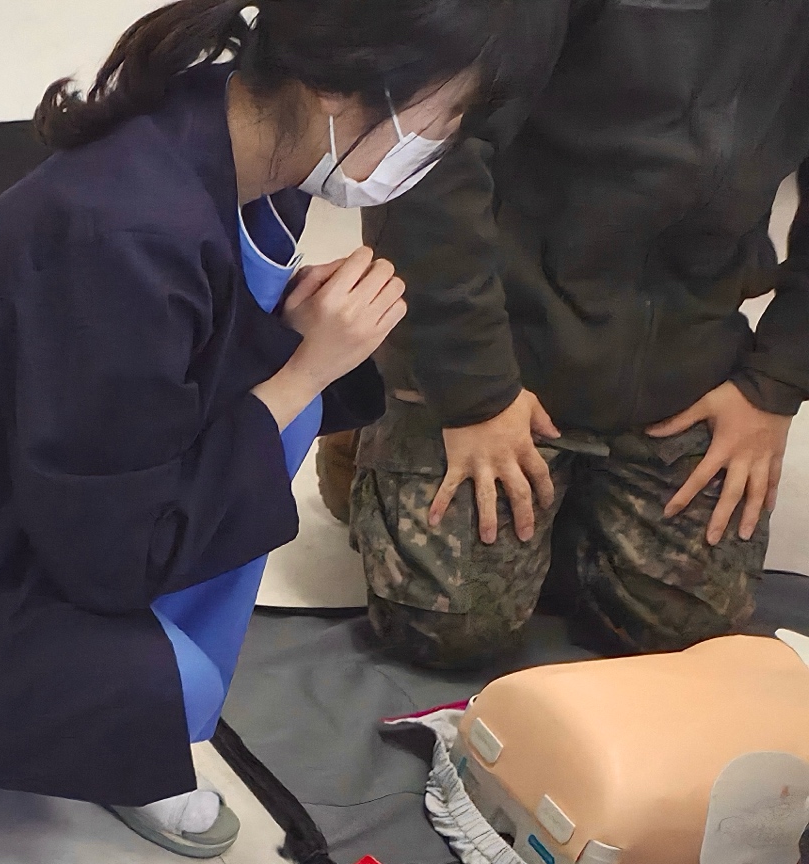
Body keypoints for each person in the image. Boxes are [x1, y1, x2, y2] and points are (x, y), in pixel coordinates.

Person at [0, 0, 529, 859]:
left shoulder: (242, 140)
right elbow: (112, 547)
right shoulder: (132, 227)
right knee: (178, 678)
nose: (440, 141)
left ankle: (123, 721)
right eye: (440, 116)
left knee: (288, 412)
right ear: (340, 87)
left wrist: (298, 351)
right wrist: (305, 366)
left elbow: (163, 387)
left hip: (21, 490)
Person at [329, 1, 809, 672]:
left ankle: (577, 506)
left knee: (684, 635)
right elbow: (426, 155)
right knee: (450, 631)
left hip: (685, 351)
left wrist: (775, 383)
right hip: (499, 334)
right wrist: (475, 393)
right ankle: (370, 432)